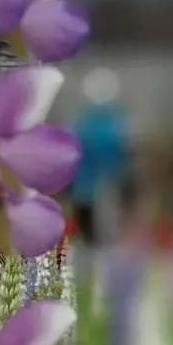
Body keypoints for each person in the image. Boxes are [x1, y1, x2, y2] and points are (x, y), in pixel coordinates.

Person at [69, 68, 130, 245]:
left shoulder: (82, 120)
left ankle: (89, 250)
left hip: (87, 187)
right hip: (107, 186)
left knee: (87, 233)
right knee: (106, 231)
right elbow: (122, 152)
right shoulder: (116, 122)